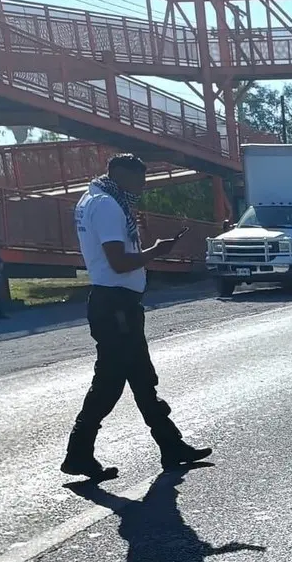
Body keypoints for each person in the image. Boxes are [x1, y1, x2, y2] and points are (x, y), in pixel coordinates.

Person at [61, 154, 211, 482]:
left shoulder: (94, 199)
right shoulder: (107, 206)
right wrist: (157, 251)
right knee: (110, 384)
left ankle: (170, 446)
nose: (143, 187)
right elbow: (118, 261)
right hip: (115, 305)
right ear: (121, 175)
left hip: (115, 303)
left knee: (141, 379)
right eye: (140, 180)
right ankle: (78, 453)